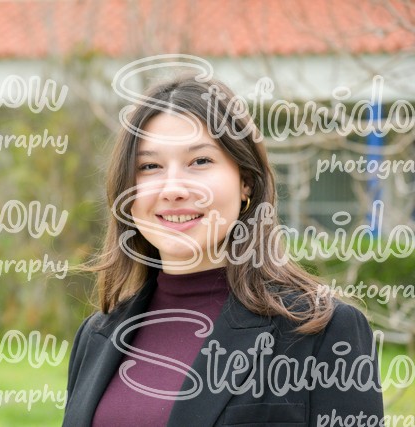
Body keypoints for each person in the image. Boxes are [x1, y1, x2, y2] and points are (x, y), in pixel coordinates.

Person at [62, 73, 384, 426]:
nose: (173, 189)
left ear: (246, 181)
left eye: (200, 161)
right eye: (150, 166)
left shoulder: (321, 330)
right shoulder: (96, 336)